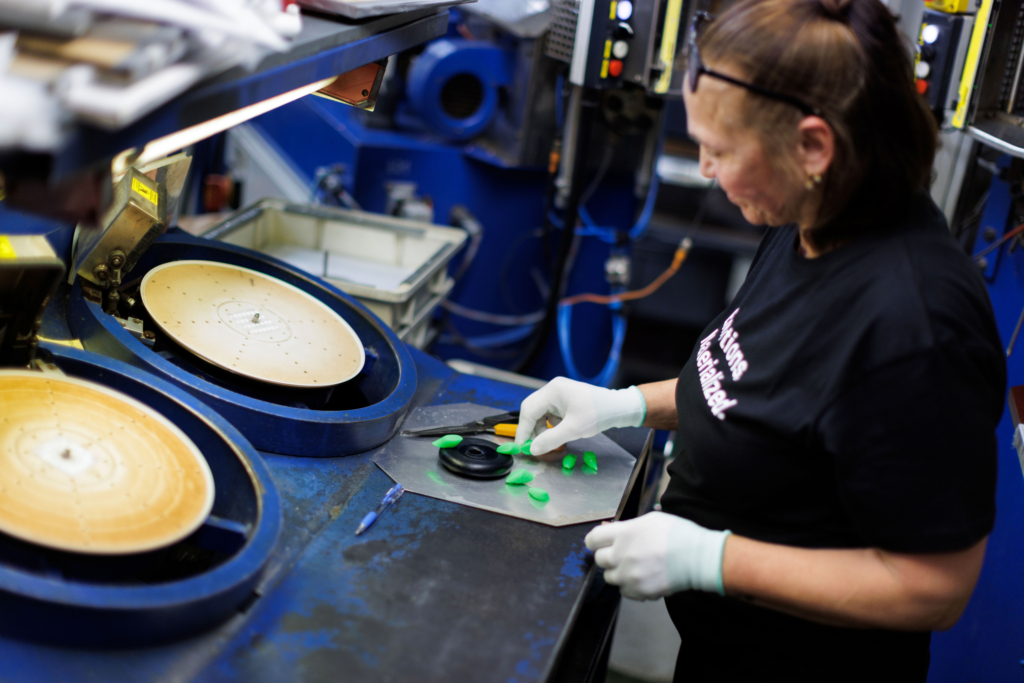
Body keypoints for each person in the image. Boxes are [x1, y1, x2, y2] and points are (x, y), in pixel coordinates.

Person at [513, 0, 1007, 680]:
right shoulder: (807, 220)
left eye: (719, 150)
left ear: (812, 147)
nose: (709, 170)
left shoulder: (916, 329)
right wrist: (623, 405)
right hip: (721, 648)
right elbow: (753, 386)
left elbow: (935, 586)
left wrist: (711, 558)